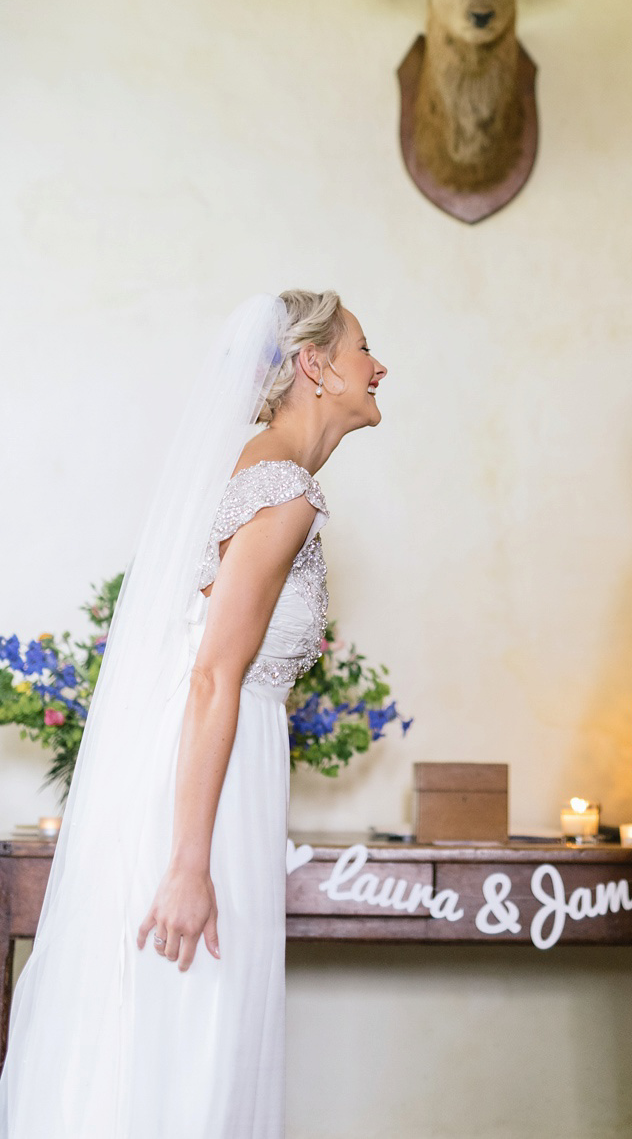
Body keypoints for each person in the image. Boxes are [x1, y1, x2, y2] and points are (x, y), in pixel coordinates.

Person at [0, 289, 387, 1139]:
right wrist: (187, 865)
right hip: (208, 779)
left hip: (211, 759)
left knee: (168, 1023)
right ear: (314, 367)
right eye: (363, 347)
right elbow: (213, 675)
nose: (379, 366)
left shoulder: (257, 470)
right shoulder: (284, 488)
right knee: (191, 1018)